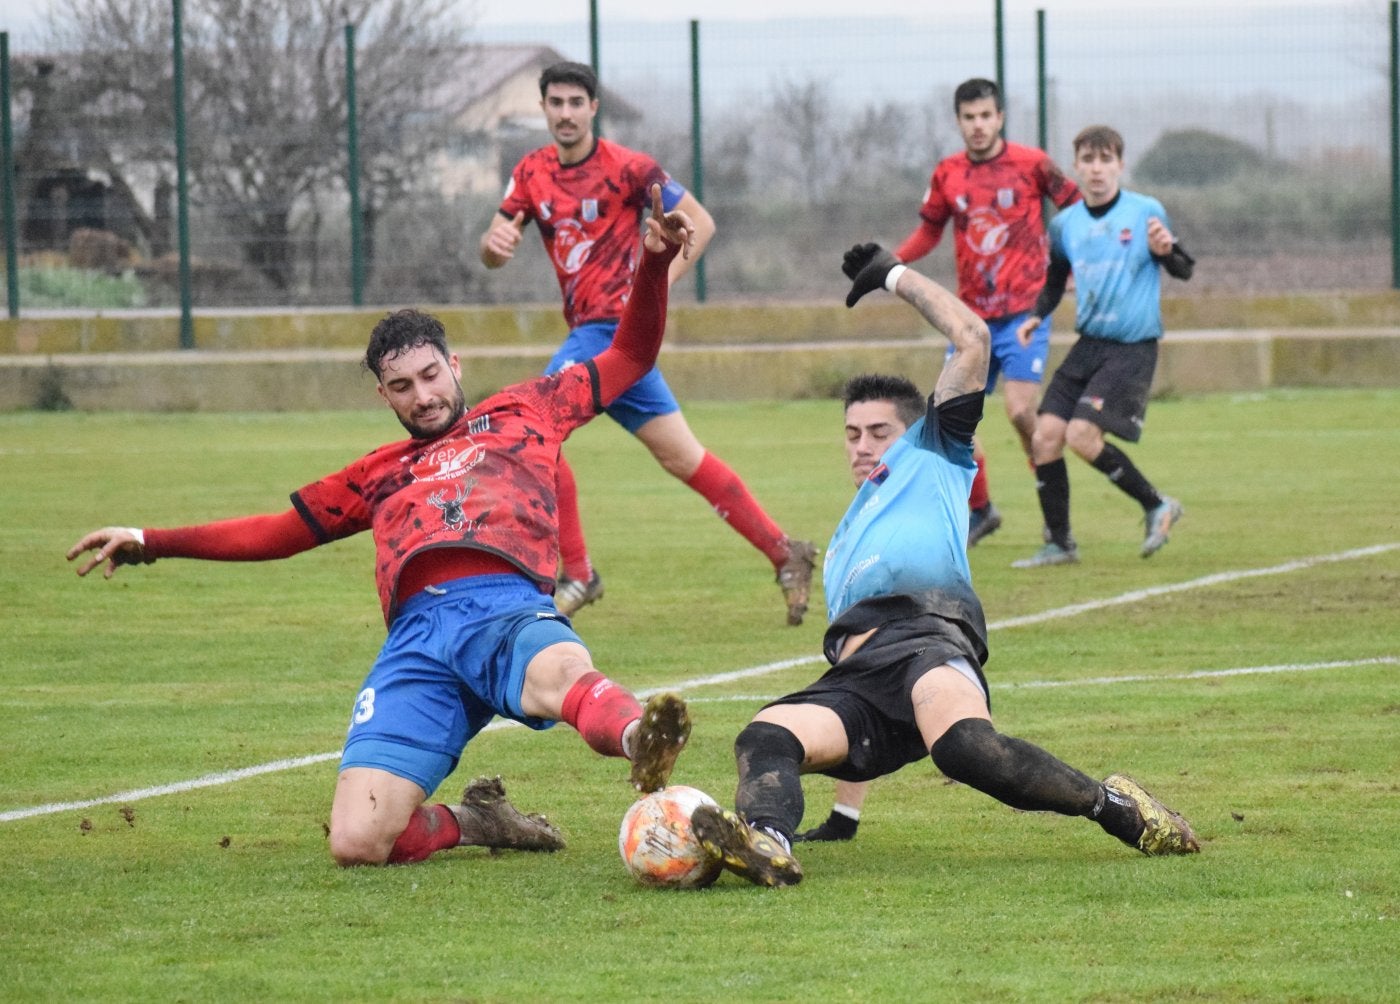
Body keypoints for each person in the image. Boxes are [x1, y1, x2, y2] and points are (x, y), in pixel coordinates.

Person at [67, 187, 697, 869]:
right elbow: (276, 531)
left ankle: (640, 737)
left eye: (430, 376)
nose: (423, 397)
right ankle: (477, 820)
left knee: (560, 670)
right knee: (359, 842)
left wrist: (653, 265)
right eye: (402, 387)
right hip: (418, 644)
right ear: (383, 394)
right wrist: (151, 541)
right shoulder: (378, 472)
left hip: (503, 608)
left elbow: (629, 357)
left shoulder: (528, 409)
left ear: (454, 366)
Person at [687, 243, 1200, 887]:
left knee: (965, 751)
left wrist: (893, 276)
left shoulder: (935, 456)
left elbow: (972, 339)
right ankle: (766, 842)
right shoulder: (845, 542)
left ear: (914, 432)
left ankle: (1115, 806)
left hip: (929, 645)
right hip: (857, 683)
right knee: (764, 736)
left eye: (879, 431)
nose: (863, 445)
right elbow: (857, 660)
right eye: (852, 433)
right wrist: (846, 811)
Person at [479, 60, 816, 625]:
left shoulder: (629, 168)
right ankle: (786, 553)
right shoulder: (529, 173)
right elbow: (494, 249)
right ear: (543, 109)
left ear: (593, 108)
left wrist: (652, 290)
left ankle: (579, 574)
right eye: (555, 103)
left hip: (609, 332)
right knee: (684, 457)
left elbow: (700, 224)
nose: (565, 113)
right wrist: (493, 246)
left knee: (533, 427)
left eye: (575, 103)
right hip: (601, 341)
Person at [894, 77, 1081, 547]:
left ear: (999, 117)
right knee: (947, 417)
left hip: (1024, 313)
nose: (978, 126)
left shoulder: (1032, 163)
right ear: (959, 122)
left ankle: (1055, 520)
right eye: (969, 118)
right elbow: (929, 233)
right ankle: (982, 510)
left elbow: (1077, 206)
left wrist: (1073, 263)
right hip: (969, 322)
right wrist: (891, 264)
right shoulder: (947, 173)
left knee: (1021, 413)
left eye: (986, 116)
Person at [1011, 125, 1195, 568]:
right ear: (1076, 167)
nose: (1097, 170)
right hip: (1089, 344)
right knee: (1045, 436)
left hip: (1132, 346)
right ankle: (1060, 543)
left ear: (1120, 165)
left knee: (1081, 435)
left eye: (1106, 160)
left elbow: (1183, 267)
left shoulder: (1145, 211)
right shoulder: (1065, 224)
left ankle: (1156, 505)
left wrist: (1166, 251)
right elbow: (1055, 279)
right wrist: (1037, 315)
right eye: (1088, 161)